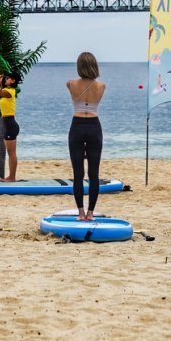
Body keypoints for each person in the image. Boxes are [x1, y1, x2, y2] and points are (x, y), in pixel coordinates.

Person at [66, 52, 106, 221]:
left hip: (77, 126)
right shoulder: (101, 86)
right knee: (94, 173)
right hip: (94, 126)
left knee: (78, 173)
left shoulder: (71, 84)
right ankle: (90, 213)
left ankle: (81, 213)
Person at [0, 71, 20, 182]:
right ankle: (11, 176)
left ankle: (12, 177)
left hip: (10, 125)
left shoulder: (10, 92)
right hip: (8, 125)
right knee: (11, 153)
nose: (7, 79)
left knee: (11, 153)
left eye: (8, 78)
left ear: (13, 81)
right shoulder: (6, 91)